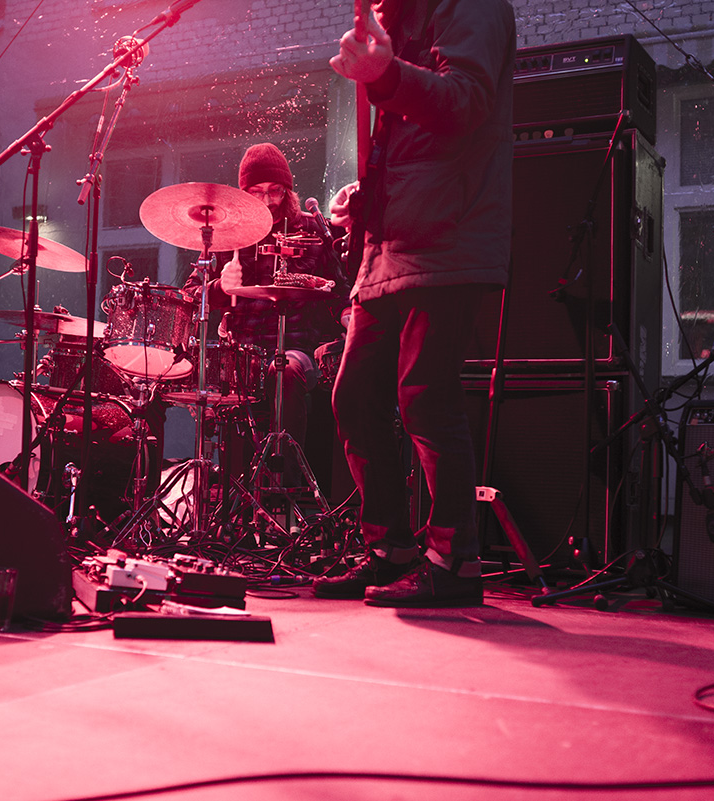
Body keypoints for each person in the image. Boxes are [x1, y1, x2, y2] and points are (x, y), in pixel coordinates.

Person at [311, 0, 516, 607]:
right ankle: (390, 550)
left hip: (450, 233)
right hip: (393, 240)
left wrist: (387, 73)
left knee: (426, 394)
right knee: (355, 395)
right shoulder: (395, 17)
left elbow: (466, 101)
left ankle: (454, 562)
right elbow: (411, 137)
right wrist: (368, 194)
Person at [182, 142, 344, 486]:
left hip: (297, 348)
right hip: (241, 353)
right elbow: (190, 296)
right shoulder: (226, 235)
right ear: (243, 194)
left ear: (288, 189)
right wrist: (220, 288)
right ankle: (234, 491)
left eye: (275, 190)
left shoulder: (312, 229)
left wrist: (348, 315)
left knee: (285, 371)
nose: (268, 200)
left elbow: (339, 288)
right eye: (256, 192)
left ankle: (284, 486)